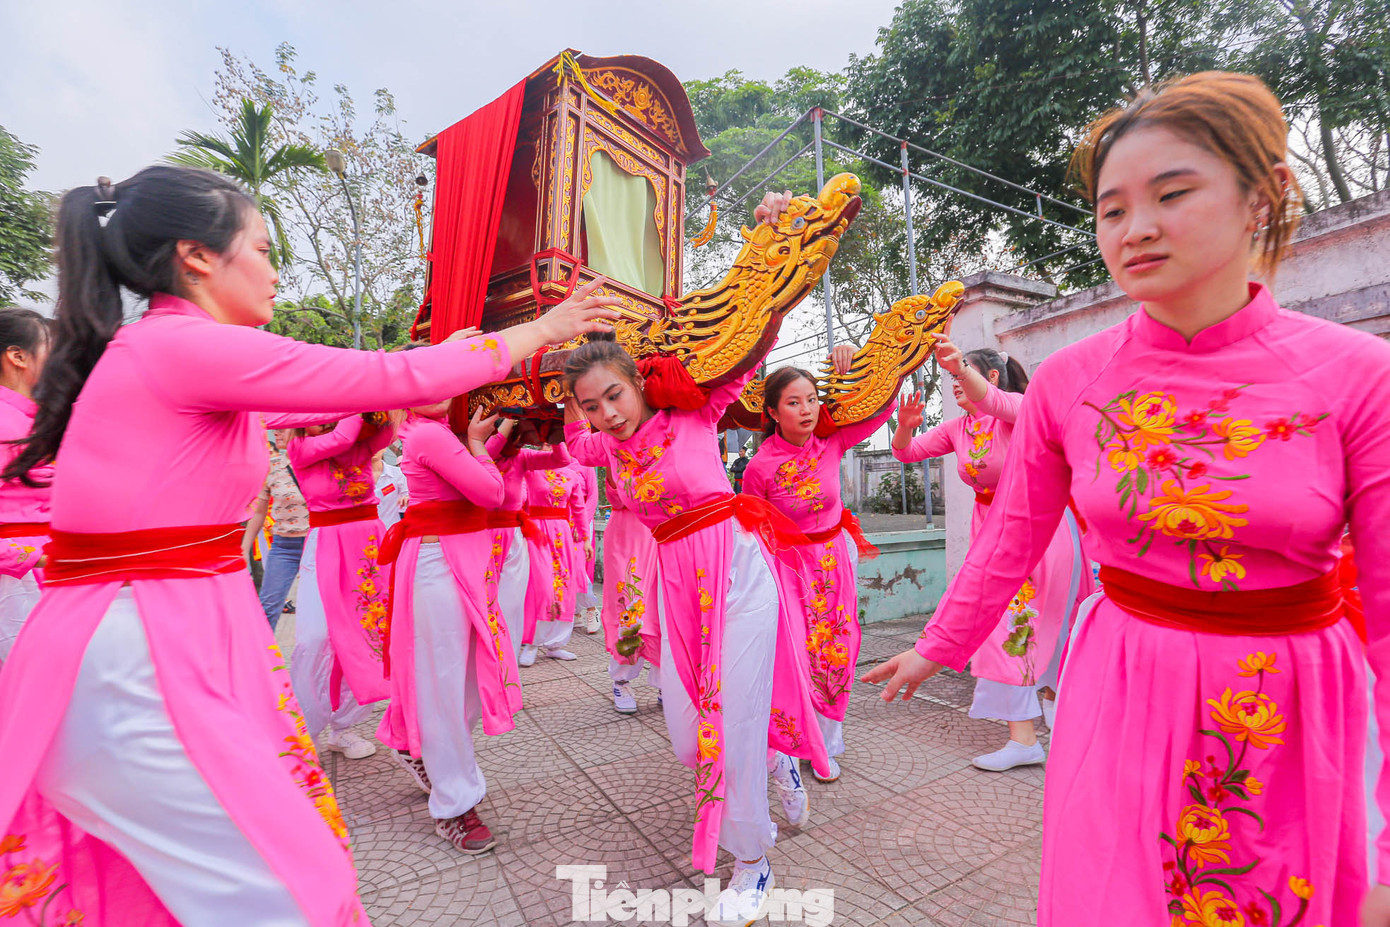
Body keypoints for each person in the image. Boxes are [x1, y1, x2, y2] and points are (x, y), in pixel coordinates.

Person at [0, 164, 618, 925]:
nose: (274, 270)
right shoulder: (179, 346)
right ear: (197, 257)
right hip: (136, 657)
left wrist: (465, 353)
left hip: (160, 631)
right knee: (284, 895)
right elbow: (392, 375)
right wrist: (542, 329)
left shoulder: (177, 351)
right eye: (262, 248)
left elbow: (404, 386)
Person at [865, 73, 1390, 927]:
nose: (1135, 228)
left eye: (1172, 193)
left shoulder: (1358, 377)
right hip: (1119, 680)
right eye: (1112, 209)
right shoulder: (1072, 380)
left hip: (1284, 697)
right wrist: (938, 645)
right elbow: (1012, 539)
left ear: (1261, 198)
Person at [563, 191, 830, 926]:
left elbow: (753, 342)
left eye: (613, 394)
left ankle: (753, 858)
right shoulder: (602, 447)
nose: (607, 413)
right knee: (689, 734)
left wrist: (771, 233)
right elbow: (555, 441)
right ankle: (777, 760)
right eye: (591, 405)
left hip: (738, 570)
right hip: (675, 584)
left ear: (635, 381)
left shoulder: (695, 408)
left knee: (731, 720)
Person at [891, 341, 1090, 771]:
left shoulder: (1019, 407)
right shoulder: (958, 428)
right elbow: (906, 453)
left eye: (962, 377)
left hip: (1039, 524)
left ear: (990, 376)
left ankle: (1052, 712)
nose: (955, 386)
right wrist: (905, 425)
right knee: (1006, 626)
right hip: (991, 529)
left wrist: (959, 366)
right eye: (952, 380)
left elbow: (994, 400)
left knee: (1032, 622)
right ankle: (1026, 734)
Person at [741, 348, 893, 783]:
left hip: (832, 560)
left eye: (811, 399)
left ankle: (827, 741)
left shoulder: (833, 442)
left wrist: (854, 365)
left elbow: (883, 406)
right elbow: (754, 531)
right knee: (796, 654)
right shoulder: (759, 467)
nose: (806, 409)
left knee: (837, 649)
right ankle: (796, 738)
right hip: (787, 568)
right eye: (793, 401)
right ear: (772, 411)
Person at [376, 401, 520, 856]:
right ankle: (453, 805)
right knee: (445, 687)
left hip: (462, 561)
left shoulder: (436, 432)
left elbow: (466, 478)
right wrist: (480, 443)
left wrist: (490, 440)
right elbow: (490, 494)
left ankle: (417, 744)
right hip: (440, 566)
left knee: (466, 686)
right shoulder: (429, 433)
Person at [285, 414, 397, 761]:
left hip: (367, 545)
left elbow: (387, 432)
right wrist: (354, 407)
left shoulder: (359, 441)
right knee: (314, 639)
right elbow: (340, 439)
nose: (325, 422)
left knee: (369, 639)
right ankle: (304, 728)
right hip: (326, 547)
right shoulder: (300, 447)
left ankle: (343, 727)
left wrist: (379, 408)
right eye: (319, 417)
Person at [486, 417, 568, 658]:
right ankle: (486, 654)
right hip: (479, 536)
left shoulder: (521, 457)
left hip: (513, 536)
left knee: (511, 602)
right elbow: (487, 453)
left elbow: (561, 459)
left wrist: (550, 432)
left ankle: (508, 655)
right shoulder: (476, 454)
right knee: (485, 598)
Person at [0, 307, 51, 664]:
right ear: (18, 356)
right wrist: (36, 556)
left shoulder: (35, 421)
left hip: (49, 572)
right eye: (53, 347)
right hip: (15, 584)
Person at [600, 468, 661, 714]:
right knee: (630, 609)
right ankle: (621, 680)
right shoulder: (619, 449)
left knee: (665, 614)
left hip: (666, 535)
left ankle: (666, 684)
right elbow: (616, 496)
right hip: (628, 536)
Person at [519, 440, 581, 665]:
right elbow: (520, 498)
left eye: (554, 444)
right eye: (545, 444)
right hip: (537, 532)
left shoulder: (572, 475)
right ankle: (530, 642)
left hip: (562, 533)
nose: (549, 448)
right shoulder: (530, 472)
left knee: (564, 586)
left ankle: (556, 643)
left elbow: (579, 507)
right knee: (541, 586)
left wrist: (584, 537)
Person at [244, 428, 310, 630]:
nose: (277, 433)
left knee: (322, 607)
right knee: (268, 606)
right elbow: (258, 512)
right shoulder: (271, 467)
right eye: (276, 430)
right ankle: (263, 659)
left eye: (284, 428)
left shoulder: (319, 464)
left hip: (316, 543)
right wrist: (244, 549)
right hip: (284, 546)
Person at [373, 443, 409, 528]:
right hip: (367, 532)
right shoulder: (356, 477)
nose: (373, 450)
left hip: (391, 529)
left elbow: (407, 497)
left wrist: (406, 499)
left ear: (384, 448)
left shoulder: (397, 474)